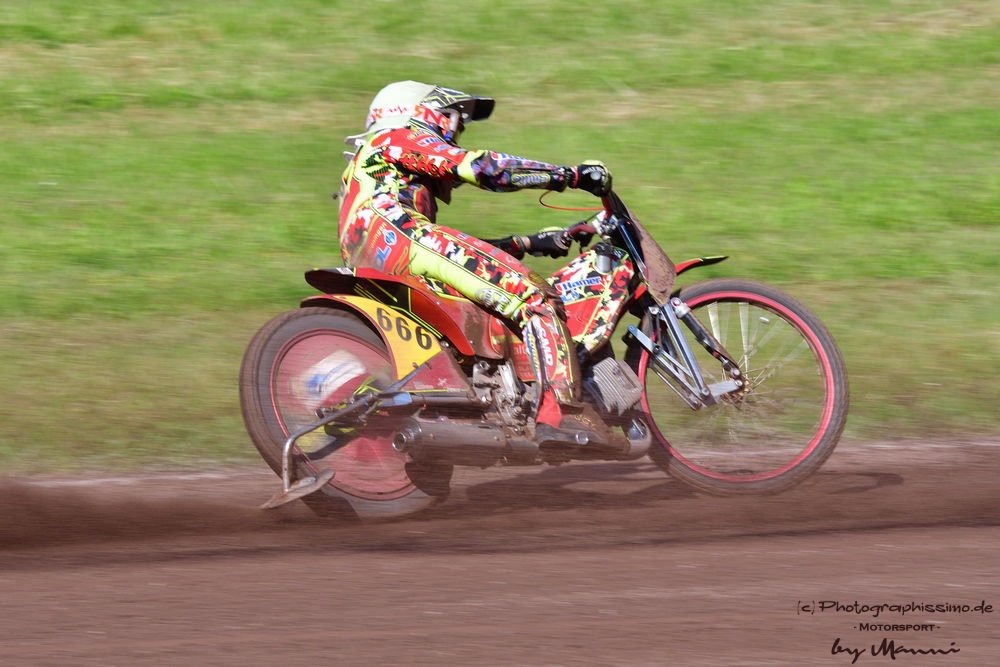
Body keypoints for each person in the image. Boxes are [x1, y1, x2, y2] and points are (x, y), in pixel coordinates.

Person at [338, 81, 614, 446]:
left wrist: (528, 243)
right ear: (417, 113)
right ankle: (559, 414)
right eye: (452, 121)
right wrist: (571, 176)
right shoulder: (396, 138)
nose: (455, 132)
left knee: (496, 306)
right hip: (404, 242)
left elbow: (452, 256)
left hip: (387, 257)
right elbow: (482, 168)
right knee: (535, 297)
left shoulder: (380, 175)